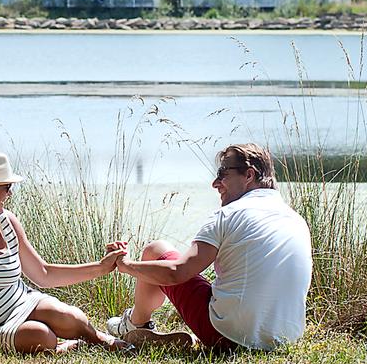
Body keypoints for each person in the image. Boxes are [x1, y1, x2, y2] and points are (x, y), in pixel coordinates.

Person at [0, 150, 170, 354]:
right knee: (40, 336)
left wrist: (102, 267)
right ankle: (58, 347)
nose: (10, 194)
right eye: (7, 187)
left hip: (21, 301)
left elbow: (43, 273)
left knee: (72, 316)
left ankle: (108, 342)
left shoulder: (6, 220)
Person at [111, 143, 311, 352]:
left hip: (229, 337)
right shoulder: (296, 219)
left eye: (222, 173)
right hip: (285, 339)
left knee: (156, 250)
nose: (215, 183)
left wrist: (126, 265)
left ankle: (135, 324)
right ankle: (138, 325)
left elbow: (176, 273)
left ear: (249, 175)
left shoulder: (228, 214)